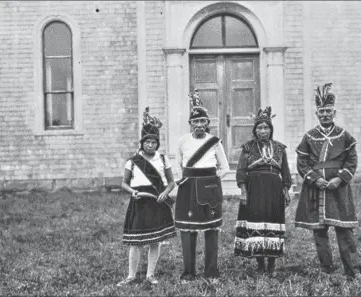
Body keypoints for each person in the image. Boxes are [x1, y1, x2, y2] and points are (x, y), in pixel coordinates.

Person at [294, 83, 361, 280]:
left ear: (334, 112)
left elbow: (351, 161)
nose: (325, 115)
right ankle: (327, 269)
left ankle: (351, 270)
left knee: (344, 229)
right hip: (316, 189)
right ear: (317, 114)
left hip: (338, 189)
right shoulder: (309, 136)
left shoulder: (344, 135)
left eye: (328, 111)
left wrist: (338, 179)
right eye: (321, 111)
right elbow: (302, 162)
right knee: (319, 231)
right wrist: (315, 180)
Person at [117, 107, 176, 287]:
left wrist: (165, 193)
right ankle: (131, 275)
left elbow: (172, 182)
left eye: (153, 142)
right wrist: (132, 192)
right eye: (147, 142)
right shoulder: (132, 161)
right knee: (135, 242)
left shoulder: (163, 159)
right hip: (139, 202)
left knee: (155, 240)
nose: (150, 145)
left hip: (157, 202)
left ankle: (150, 274)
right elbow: (124, 183)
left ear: (157, 144)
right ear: (142, 143)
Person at [174, 91, 229, 283]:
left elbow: (225, 167)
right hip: (188, 188)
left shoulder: (214, 142)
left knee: (211, 230)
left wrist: (213, 181)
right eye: (195, 122)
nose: (199, 125)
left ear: (207, 123)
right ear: (190, 124)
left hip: (210, 189)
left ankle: (211, 272)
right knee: (188, 230)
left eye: (202, 122)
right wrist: (181, 180)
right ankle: (188, 273)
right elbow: (177, 165)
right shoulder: (182, 141)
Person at [233, 106, 292, 274]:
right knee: (256, 222)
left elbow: (285, 172)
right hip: (254, 189)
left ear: (271, 130)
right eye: (259, 128)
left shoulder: (280, 148)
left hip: (274, 189)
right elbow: (241, 171)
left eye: (266, 127)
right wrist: (243, 191)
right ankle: (260, 263)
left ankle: (272, 263)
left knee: (273, 221)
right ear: (254, 130)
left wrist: (286, 190)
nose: (263, 131)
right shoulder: (248, 147)